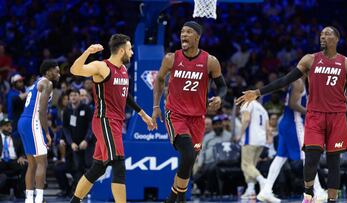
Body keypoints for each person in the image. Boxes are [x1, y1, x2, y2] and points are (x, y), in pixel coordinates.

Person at [236, 26, 347, 203]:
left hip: (337, 117)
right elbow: (285, 79)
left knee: (334, 163)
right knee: (310, 158)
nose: (323, 37)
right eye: (321, 34)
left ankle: (332, 200)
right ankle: (308, 194)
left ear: (337, 39)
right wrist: (258, 92)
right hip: (315, 116)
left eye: (327, 34)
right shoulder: (310, 60)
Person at [69, 34, 155, 203]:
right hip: (104, 120)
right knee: (119, 164)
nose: (131, 53)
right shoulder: (102, 67)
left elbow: (126, 96)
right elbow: (75, 70)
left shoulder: (123, 70)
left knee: (98, 168)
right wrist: (88, 52)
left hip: (115, 122)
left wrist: (143, 115)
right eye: (130, 49)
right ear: (122, 50)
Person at [152, 21, 227, 203]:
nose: (183, 35)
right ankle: (176, 199)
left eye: (188, 32)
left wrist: (219, 98)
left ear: (197, 37)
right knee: (186, 154)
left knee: (189, 160)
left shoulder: (210, 61)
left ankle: (175, 199)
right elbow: (159, 80)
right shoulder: (171, 58)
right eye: (182, 32)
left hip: (198, 119)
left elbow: (223, 87)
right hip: (175, 115)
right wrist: (156, 107)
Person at [257, 78, 327, 202]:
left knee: (280, 157)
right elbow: (293, 104)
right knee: (308, 156)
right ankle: (318, 191)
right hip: (295, 124)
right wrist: (310, 112)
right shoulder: (299, 82)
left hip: (287, 123)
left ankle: (266, 190)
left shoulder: (300, 82)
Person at [17, 60, 60, 203]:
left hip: (23, 121)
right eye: (56, 71)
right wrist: (47, 133)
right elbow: (42, 111)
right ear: (48, 71)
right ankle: (39, 199)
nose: (58, 74)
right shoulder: (48, 83)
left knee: (33, 163)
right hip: (32, 121)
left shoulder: (38, 82)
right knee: (42, 162)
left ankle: (29, 200)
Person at [234, 99, 268, 200]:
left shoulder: (247, 103)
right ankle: (250, 189)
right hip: (261, 140)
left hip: (250, 139)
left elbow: (246, 119)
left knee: (246, 165)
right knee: (252, 166)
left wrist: (240, 134)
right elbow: (267, 126)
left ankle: (263, 181)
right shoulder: (262, 108)